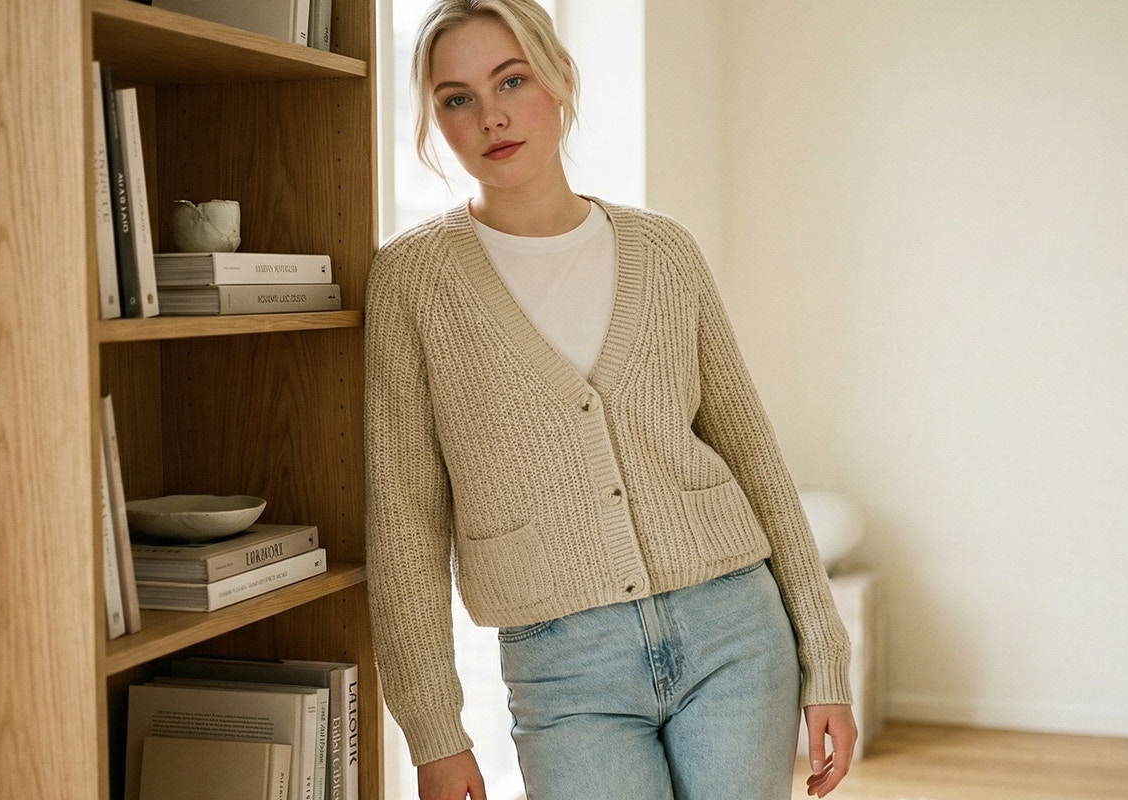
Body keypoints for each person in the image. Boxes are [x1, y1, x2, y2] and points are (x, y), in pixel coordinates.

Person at [364, 1, 858, 798]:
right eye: (456, 98)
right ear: (436, 121)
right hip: (564, 665)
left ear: (562, 78)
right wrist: (434, 732)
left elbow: (754, 456)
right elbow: (403, 520)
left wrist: (824, 657)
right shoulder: (413, 282)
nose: (491, 115)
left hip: (733, 630)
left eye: (512, 80)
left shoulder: (664, 251)